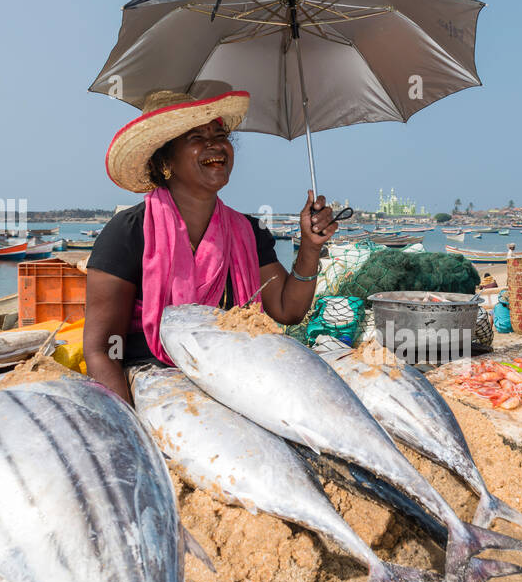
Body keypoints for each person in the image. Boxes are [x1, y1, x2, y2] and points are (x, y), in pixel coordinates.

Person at [85, 85, 338, 403]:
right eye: (197, 138)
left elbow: (288, 310)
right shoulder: (128, 233)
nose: (216, 146)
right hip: (153, 388)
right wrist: (130, 424)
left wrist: (310, 246)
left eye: (220, 136)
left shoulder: (248, 230)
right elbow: (101, 350)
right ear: (166, 160)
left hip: (234, 382)